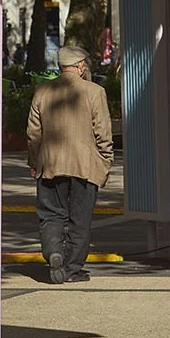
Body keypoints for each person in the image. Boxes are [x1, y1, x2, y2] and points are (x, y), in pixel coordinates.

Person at [26, 45, 113, 284]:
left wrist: (34, 161)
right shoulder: (95, 92)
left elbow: (33, 133)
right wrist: (106, 161)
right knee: (80, 220)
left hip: (50, 165)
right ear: (81, 65)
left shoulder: (42, 91)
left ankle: (53, 251)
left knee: (51, 215)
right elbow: (103, 132)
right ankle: (72, 269)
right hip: (85, 166)